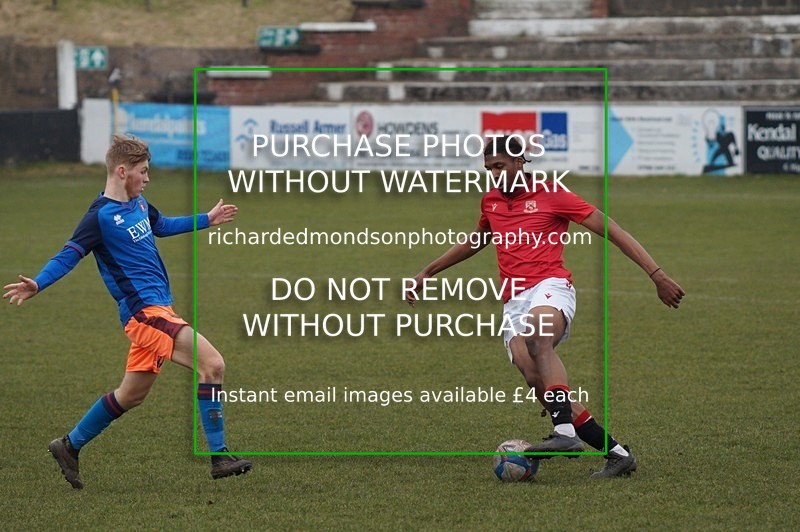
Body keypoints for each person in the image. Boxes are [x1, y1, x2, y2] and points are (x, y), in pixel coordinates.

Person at [406, 136, 685, 478]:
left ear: (519, 162)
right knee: (537, 379)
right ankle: (617, 453)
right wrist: (427, 272)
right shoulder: (491, 201)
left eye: (500, 166)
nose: (495, 174)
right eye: (489, 168)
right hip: (513, 302)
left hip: (550, 286)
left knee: (538, 339)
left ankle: (564, 433)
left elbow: (613, 230)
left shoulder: (552, 194)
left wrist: (657, 275)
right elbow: (475, 241)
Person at [3, 135, 252, 489]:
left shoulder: (139, 204)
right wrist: (38, 283)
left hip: (160, 309)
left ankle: (69, 446)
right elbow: (68, 255)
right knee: (213, 364)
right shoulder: (99, 217)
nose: (148, 178)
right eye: (143, 171)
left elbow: (161, 225)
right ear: (122, 171)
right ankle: (220, 456)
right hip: (144, 315)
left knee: (131, 395)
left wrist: (205, 219)